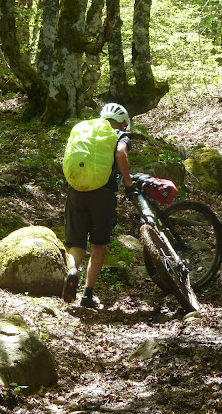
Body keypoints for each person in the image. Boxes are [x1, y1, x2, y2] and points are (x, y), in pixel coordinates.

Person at [62, 103, 136, 308]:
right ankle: (87, 294)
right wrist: (128, 184)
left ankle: (73, 270)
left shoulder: (84, 129)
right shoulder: (119, 135)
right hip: (102, 195)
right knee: (98, 245)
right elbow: (121, 154)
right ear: (122, 123)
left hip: (76, 190)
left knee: (76, 243)